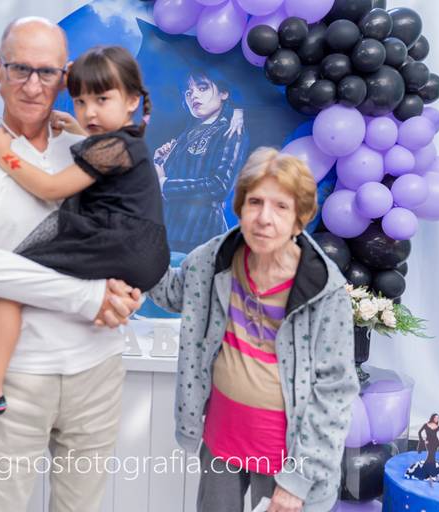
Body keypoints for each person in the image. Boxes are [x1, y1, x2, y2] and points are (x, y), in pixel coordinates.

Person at [0, 17, 142, 512]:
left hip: (96, 367)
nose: (34, 86)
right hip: (12, 376)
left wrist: (129, 289)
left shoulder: (91, 147)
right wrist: (87, 296)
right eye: (20, 69)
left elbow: (128, 229)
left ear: (65, 75)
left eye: (47, 72)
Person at [148, 147, 359, 512]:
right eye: (255, 202)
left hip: (286, 458)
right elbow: (172, 291)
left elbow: (335, 391)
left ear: (299, 219)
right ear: (240, 207)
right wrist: (133, 239)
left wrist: (297, 481)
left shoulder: (326, 291)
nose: (264, 218)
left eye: (281, 206)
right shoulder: (213, 260)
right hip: (221, 439)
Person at [154, 68, 249, 253]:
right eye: (188, 92)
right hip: (170, 231)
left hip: (199, 236)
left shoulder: (231, 129)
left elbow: (219, 186)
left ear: (223, 93)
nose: (194, 96)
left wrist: (165, 185)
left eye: (202, 88)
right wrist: (161, 162)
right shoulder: (188, 133)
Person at [417, 413, 439, 479]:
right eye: (436, 417)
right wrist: (423, 440)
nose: (437, 419)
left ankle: (428, 472)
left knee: (432, 457)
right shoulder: (426, 425)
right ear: (432, 417)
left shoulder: (437, 426)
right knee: (431, 456)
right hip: (428, 443)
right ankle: (431, 472)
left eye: (438, 418)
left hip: (435, 443)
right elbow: (419, 432)